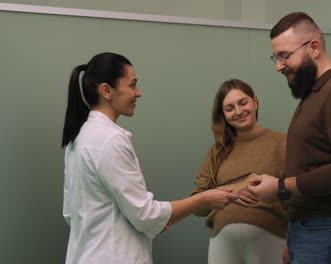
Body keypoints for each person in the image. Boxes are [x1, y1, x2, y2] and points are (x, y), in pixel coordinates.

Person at [61, 52, 238, 264]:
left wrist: (144, 223)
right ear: (107, 90)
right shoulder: (110, 140)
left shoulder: (80, 138)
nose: (138, 93)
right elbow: (146, 215)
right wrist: (204, 199)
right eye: (132, 85)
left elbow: (72, 214)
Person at [248, 12, 331, 264]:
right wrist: (295, 236)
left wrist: (281, 187)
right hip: (312, 229)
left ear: (314, 47)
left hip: (329, 227)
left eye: (285, 56)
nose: (279, 65)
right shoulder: (316, 94)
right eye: (276, 57)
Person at [191, 79, 288, 264]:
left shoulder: (282, 143)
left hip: (270, 238)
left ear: (255, 102)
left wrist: (296, 241)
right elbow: (198, 205)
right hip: (222, 241)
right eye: (229, 108)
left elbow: (298, 195)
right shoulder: (216, 152)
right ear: (223, 115)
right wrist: (234, 189)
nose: (238, 111)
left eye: (243, 103)